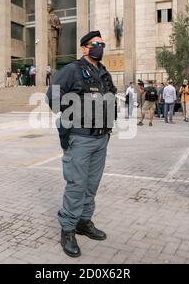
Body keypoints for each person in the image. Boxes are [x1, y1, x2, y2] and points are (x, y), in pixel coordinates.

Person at [46, 30, 117, 258]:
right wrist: (70, 115)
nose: (100, 47)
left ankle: (84, 222)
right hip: (80, 137)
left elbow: (111, 98)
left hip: (101, 137)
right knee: (77, 184)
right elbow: (53, 96)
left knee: (91, 184)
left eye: (102, 44)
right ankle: (67, 229)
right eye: (95, 44)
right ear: (84, 48)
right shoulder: (72, 70)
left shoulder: (103, 72)